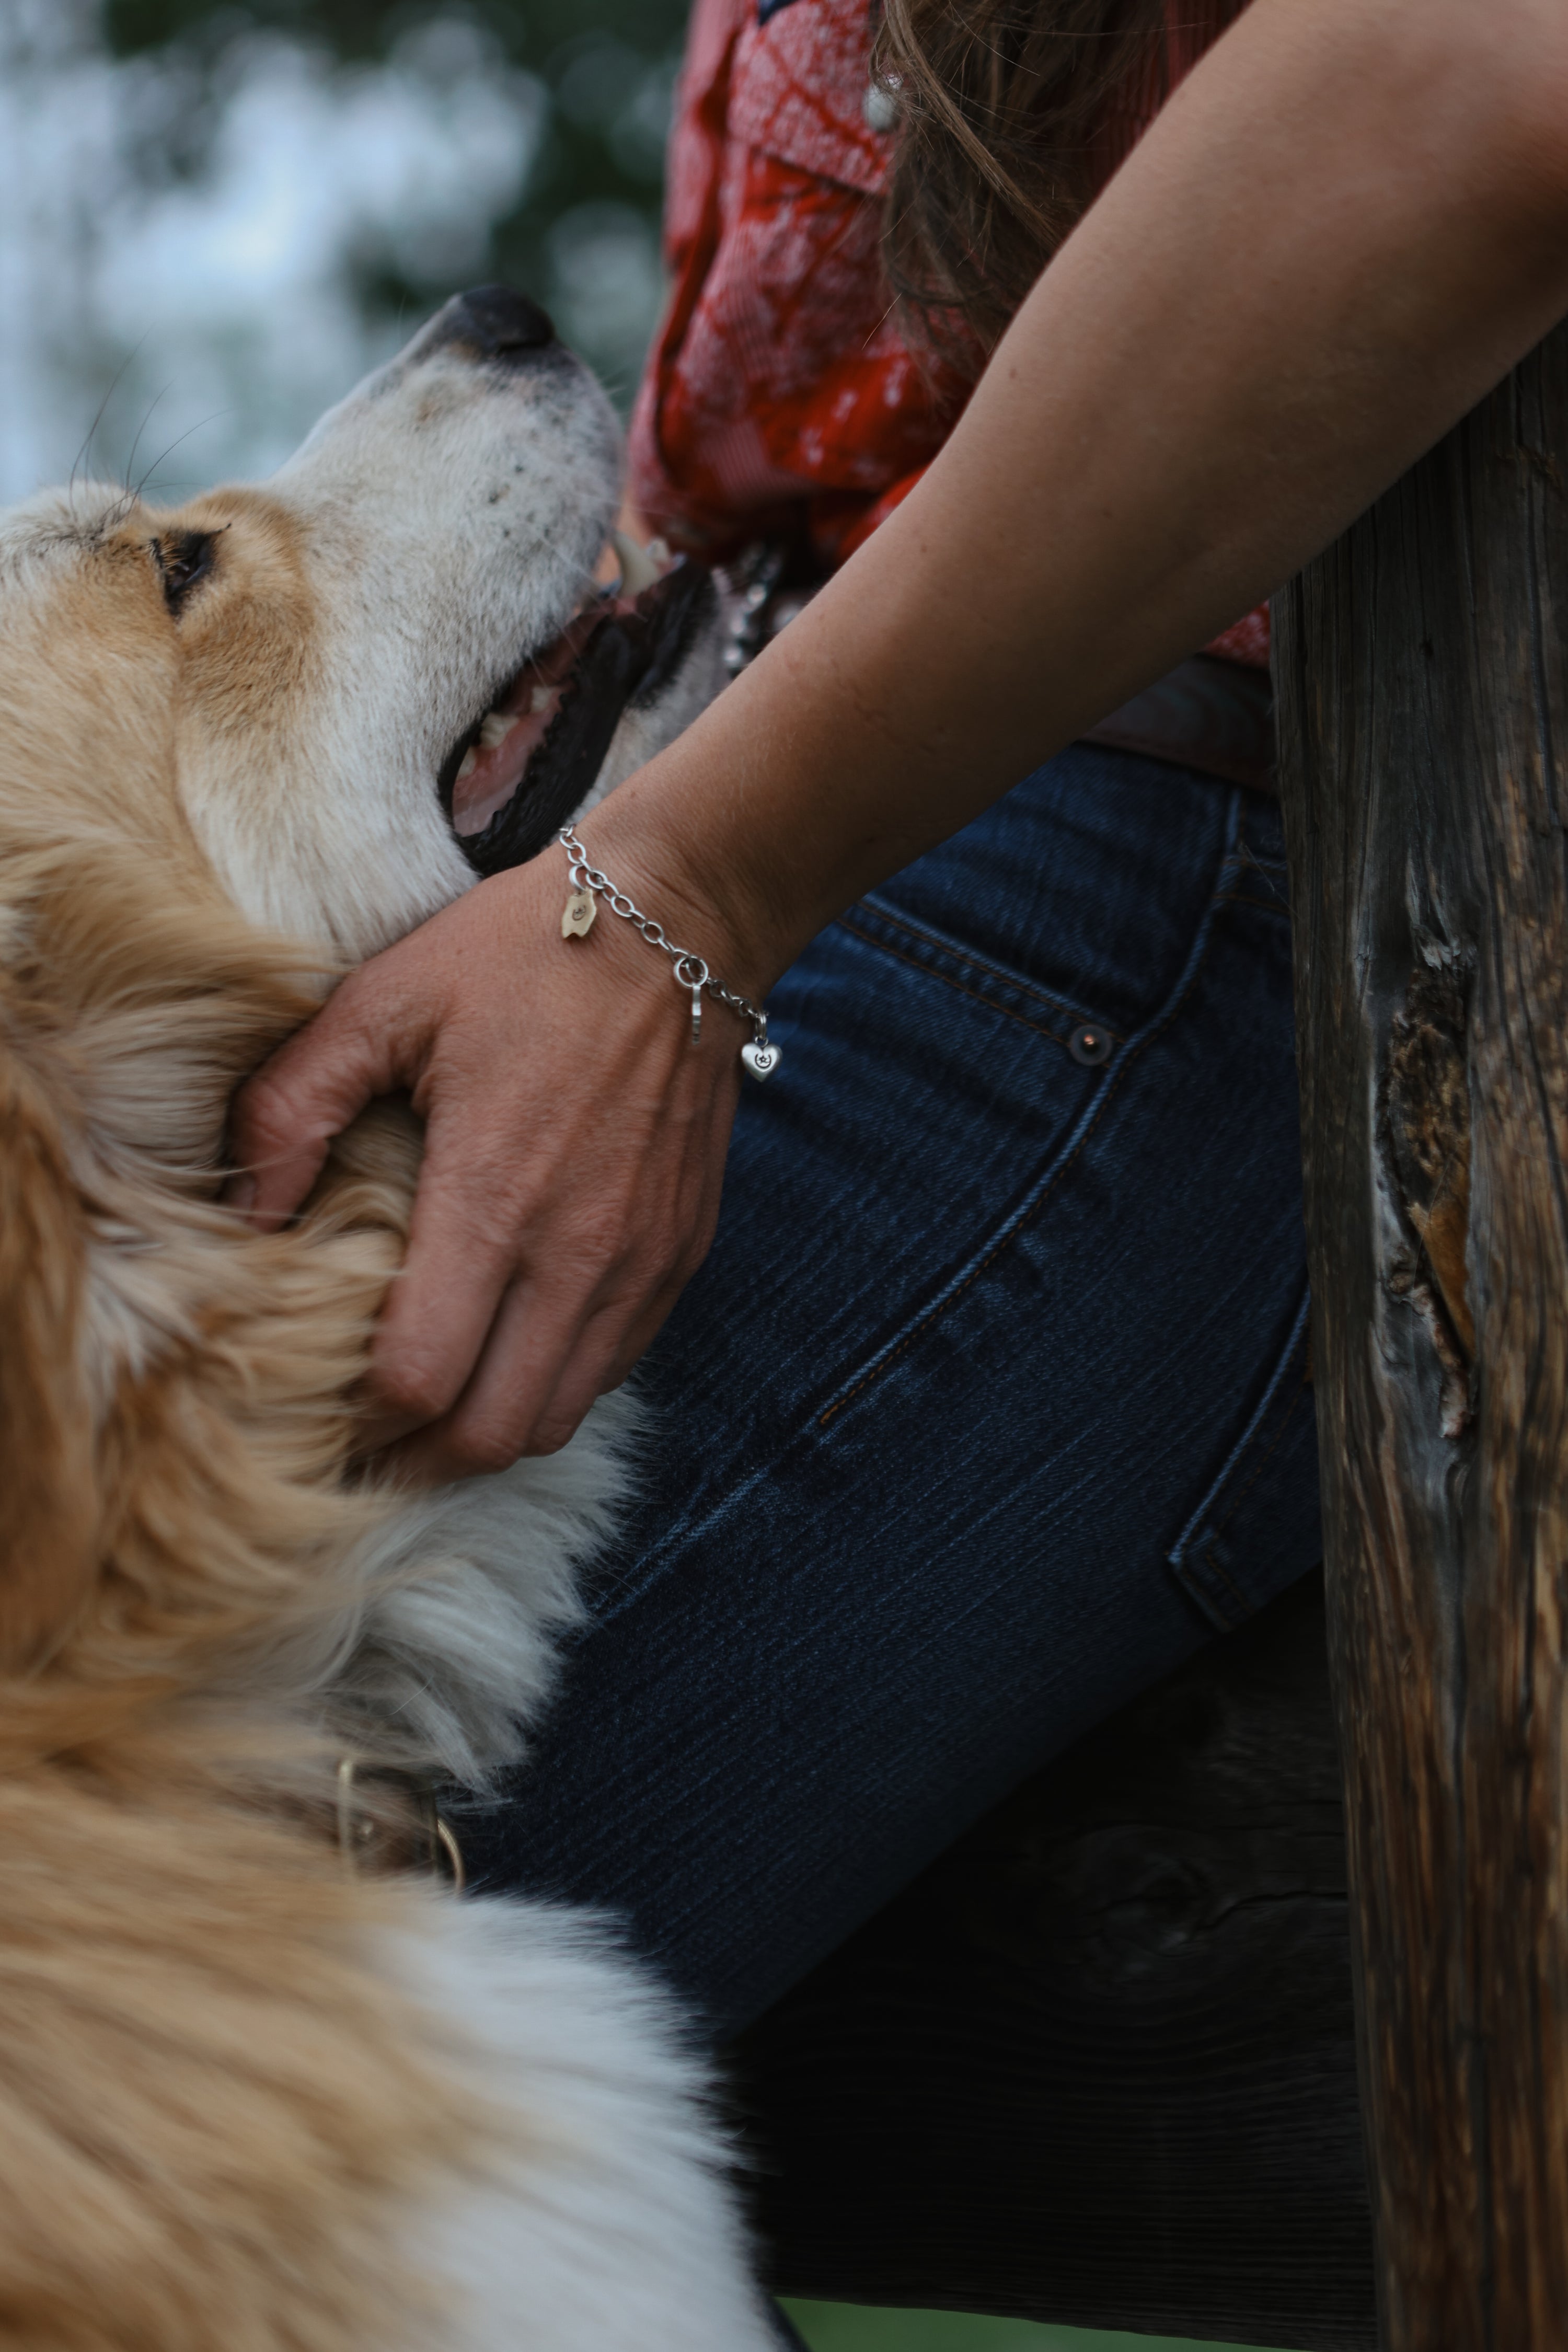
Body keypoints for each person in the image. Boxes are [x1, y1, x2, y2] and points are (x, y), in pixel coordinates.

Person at [229, 0, 1568, 2034]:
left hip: (1218, 860)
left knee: (152, 1958)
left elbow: (1478, 59)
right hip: (860, 804)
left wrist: (682, 894)